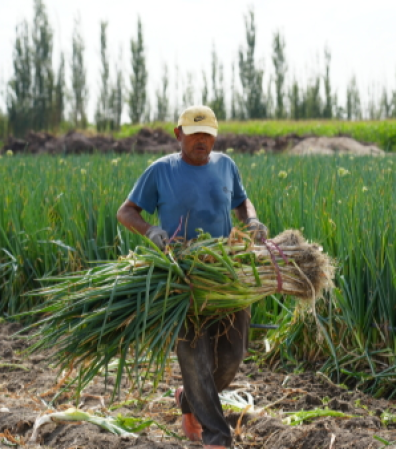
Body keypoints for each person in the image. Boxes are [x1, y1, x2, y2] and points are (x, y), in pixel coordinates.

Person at [116, 105, 268, 449]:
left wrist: (252, 221)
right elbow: (126, 212)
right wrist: (152, 230)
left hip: (226, 273)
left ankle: (189, 399)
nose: (202, 140)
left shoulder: (226, 165)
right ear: (178, 134)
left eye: (208, 134)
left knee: (231, 359)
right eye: (195, 133)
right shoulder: (161, 171)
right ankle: (217, 437)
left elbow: (243, 203)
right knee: (196, 361)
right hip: (181, 280)